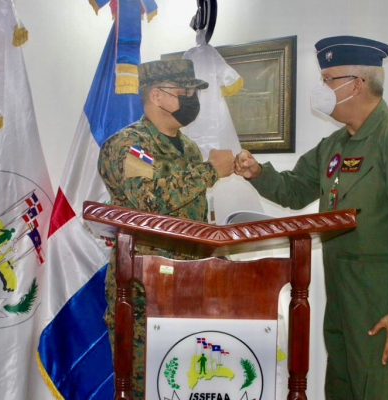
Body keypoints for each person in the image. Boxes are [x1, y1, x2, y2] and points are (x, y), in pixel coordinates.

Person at [235, 36, 388, 400]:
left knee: (383, 392)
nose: (320, 89)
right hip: (342, 299)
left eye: (327, 79)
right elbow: (295, 190)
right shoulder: (335, 145)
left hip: (383, 304)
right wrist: (258, 172)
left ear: (357, 84)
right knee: (343, 390)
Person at [98, 59, 235, 399]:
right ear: (157, 96)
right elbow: (148, 203)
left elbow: (190, 217)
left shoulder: (187, 147)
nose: (192, 99)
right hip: (143, 293)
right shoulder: (132, 145)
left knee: (183, 385)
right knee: (143, 389)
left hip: (187, 288)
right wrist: (209, 172)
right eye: (184, 92)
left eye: (193, 92)